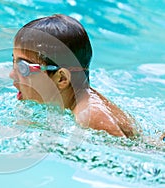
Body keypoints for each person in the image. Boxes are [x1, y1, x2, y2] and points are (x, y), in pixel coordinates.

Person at [9, 14, 139, 138]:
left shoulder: (90, 116)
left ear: (62, 79)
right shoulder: (78, 103)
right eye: (13, 62)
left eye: (23, 68)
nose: (12, 75)